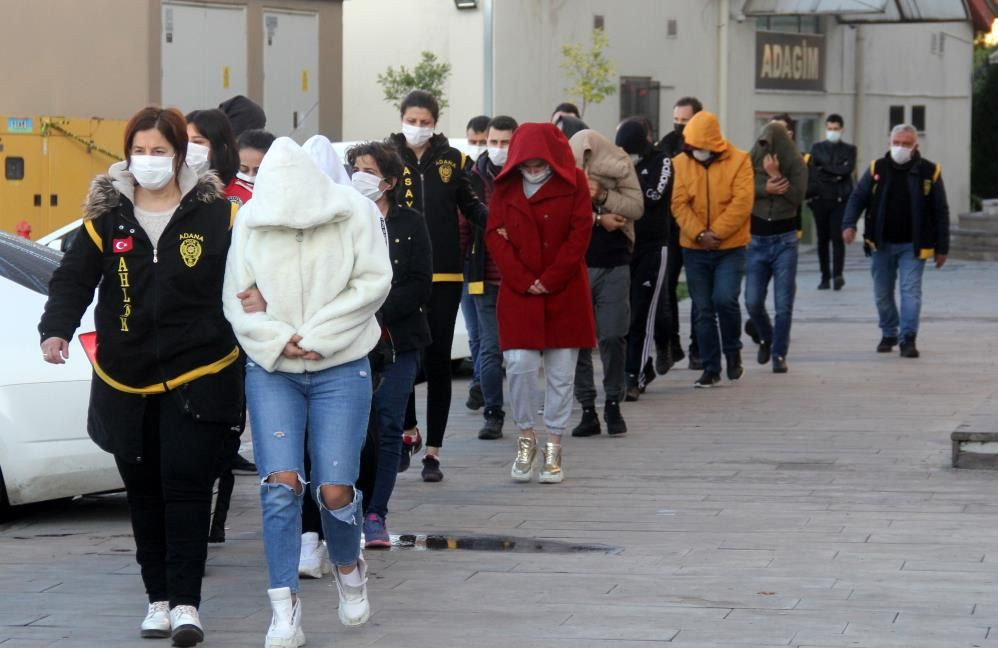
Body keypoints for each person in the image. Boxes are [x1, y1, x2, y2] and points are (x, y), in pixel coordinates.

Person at [38, 106, 243, 646]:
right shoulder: (107, 219)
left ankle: (187, 605)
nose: (148, 161)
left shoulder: (219, 215)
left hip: (200, 371)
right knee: (144, 492)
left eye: (160, 151)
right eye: (140, 151)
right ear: (126, 155)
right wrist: (55, 329)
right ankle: (157, 599)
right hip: (124, 378)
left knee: (187, 488)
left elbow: (249, 278)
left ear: (181, 155)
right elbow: (72, 281)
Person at [222, 137, 392, 647]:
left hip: (341, 366)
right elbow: (237, 297)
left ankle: (347, 564)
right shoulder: (250, 221)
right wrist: (278, 340)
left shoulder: (356, 213)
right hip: (273, 369)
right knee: (280, 485)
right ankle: (283, 608)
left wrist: (315, 338)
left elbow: (372, 283)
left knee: (335, 488)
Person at [485, 122, 596, 483]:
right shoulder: (505, 186)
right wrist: (522, 279)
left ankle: (554, 446)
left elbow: (579, 234)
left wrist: (548, 279)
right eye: (527, 164)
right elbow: (494, 236)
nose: (533, 170)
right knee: (518, 364)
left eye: (539, 163)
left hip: (563, 289)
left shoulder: (575, 182)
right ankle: (526, 437)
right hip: (519, 291)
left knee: (562, 374)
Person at [388, 90, 489, 482]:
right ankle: (407, 430)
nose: (417, 127)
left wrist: (499, 221)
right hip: (398, 277)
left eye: (424, 121)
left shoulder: (454, 160)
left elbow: (472, 205)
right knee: (403, 357)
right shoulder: (386, 158)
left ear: (435, 121)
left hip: (445, 275)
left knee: (438, 360)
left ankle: (433, 452)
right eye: (412, 119)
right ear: (401, 119)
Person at [346, 141, 433, 546]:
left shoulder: (410, 222)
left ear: (390, 181)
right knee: (356, 428)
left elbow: (420, 282)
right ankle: (348, 506)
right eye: (354, 169)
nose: (359, 176)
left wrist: (378, 309)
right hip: (351, 340)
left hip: (398, 339)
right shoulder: (343, 218)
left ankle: (376, 514)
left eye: (368, 170)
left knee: (389, 425)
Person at [185, 107, 256, 546]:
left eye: (200, 141)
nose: (191, 149)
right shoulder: (174, 192)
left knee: (224, 425)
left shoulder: (242, 197)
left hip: (232, 328)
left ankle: (215, 520)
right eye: (186, 139)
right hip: (185, 325)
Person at [842, 124, 949, 358]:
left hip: (913, 245)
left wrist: (942, 248)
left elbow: (941, 211)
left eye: (906, 144)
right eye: (896, 143)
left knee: (910, 291)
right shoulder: (876, 169)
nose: (900, 148)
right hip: (881, 243)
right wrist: (848, 224)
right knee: (882, 293)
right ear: (889, 143)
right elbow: (857, 197)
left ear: (915, 146)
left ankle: (908, 338)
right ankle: (889, 332)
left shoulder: (930, 172)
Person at [567, 129, 643, 437]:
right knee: (578, 343)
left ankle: (614, 401)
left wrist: (602, 195)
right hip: (576, 266)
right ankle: (587, 408)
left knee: (612, 335)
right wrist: (599, 219)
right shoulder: (563, 172)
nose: (584, 160)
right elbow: (560, 214)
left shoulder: (620, 165)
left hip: (614, 264)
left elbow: (636, 208)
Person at [671, 111, 754, 388]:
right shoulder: (679, 164)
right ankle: (710, 367)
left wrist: (715, 233)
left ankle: (733, 351)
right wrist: (699, 233)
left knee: (725, 299)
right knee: (702, 309)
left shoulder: (740, 160)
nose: (697, 153)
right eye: (692, 147)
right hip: (694, 249)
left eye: (702, 148)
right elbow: (678, 204)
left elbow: (742, 202)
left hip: (730, 246)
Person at [615, 118, 674, 401]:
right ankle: (641, 366)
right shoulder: (615, 161)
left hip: (652, 246)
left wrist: (628, 177)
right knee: (622, 315)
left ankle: (633, 376)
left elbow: (653, 195)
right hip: (623, 245)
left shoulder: (661, 161)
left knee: (643, 312)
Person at [468, 115, 518, 439]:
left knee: (520, 353)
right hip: (483, 275)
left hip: (520, 276)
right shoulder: (472, 178)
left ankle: (525, 414)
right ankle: (493, 412)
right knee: (489, 347)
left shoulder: (525, 175)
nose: (497, 149)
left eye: (504, 143)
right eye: (493, 142)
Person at [744, 121, 807, 374]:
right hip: (756, 239)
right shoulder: (751, 159)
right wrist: (766, 188)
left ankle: (779, 354)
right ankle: (765, 336)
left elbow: (797, 197)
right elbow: (741, 190)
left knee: (783, 303)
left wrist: (776, 176)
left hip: (785, 240)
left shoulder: (797, 163)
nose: (766, 147)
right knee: (752, 302)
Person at [658, 96, 704, 370]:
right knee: (668, 289)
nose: (679, 125)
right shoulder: (666, 144)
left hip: (699, 228)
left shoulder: (708, 146)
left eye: (684, 121)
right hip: (671, 228)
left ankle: (698, 345)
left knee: (699, 290)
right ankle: (671, 342)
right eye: (676, 120)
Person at [461, 114, 491, 412]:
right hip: (468, 267)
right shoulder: (464, 173)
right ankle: (480, 380)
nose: (480, 147)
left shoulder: (497, 175)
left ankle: (481, 382)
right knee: (475, 333)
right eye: (474, 141)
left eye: (486, 141)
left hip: (490, 267)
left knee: (488, 334)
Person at [808, 113, 857, 290]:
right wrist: (835, 171)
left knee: (837, 238)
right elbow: (815, 171)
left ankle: (838, 274)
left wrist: (826, 168)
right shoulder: (817, 148)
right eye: (829, 129)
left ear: (841, 129)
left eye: (835, 129)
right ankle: (824, 277)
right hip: (820, 199)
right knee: (822, 240)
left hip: (840, 198)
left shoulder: (849, 149)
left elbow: (847, 170)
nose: (832, 132)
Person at [228, 128, 276, 206]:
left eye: (257, 171)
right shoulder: (223, 188)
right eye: (243, 169)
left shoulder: (281, 193)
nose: (250, 176)